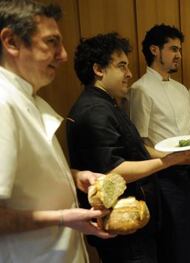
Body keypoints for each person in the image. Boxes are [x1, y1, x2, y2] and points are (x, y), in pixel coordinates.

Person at [66, 32, 190, 263]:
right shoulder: (95, 111)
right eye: (121, 66)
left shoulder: (106, 104)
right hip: (121, 228)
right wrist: (169, 161)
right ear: (99, 69)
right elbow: (111, 171)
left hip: (132, 222)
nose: (128, 74)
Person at [0, 1, 113, 262]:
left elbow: (26, 173)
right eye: (51, 42)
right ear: (11, 42)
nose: (63, 55)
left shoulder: (28, 97)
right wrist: (63, 217)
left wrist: (72, 176)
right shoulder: (4, 103)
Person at [129, 24, 190, 263]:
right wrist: (171, 160)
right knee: (172, 241)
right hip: (163, 177)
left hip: (189, 170)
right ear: (155, 50)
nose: (179, 55)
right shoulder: (140, 89)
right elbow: (139, 144)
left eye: (180, 50)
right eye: (173, 49)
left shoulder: (182, 89)